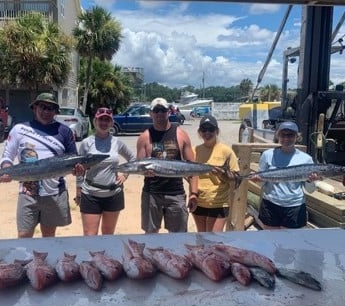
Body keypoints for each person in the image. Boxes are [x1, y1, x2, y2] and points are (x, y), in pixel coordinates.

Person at [0, 92, 82, 238]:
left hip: (54, 193)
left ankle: (42, 261)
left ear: (55, 112)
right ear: (34, 108)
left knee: (49, 235)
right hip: (27, 193)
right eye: (43, 107)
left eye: (51, 109)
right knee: (24, 235)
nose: (46, 112)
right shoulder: (19, 129)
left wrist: (77, 170)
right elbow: (7, 156)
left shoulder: (65, 131)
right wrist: (6, 169)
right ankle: (25, 261)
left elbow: (73, 160)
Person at [136, 97, 198, 233]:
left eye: (162, 110)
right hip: (151, 193)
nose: (159, 114)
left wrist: (194, 193)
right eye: (156, 110)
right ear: (151, 113)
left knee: (178, 236)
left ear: (168, 112)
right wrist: (144, 172)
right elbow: (139, 167)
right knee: (150, 235)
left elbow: (192, 167)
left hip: (175, 193)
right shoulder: (144, 138)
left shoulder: (181, 135)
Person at [75, 107, 136, 236]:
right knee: (90, 235)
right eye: (100, 119)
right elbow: (79, 168)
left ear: (111, 123)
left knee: (108, 234)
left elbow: (132, 158)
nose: (103, 123)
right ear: (95, 121)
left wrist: (125, 175)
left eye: (107, 120)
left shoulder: (117, 142)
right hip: (91, 194)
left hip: (113, 194)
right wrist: (78, 190)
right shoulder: (86, 143)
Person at [251, 121, 318, 229]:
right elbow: (262, 184)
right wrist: (258, 180)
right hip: (270, 204)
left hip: (294, 206)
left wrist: (310, 180)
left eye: (290, 135)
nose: (286, 138)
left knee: (290, 243)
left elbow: (310, 190)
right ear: (278, 136)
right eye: (283, 135)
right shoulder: (267, 155)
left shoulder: (306, 159)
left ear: (297, 137)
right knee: (271, 240)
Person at [192, 115, 240, 232]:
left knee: (214, 239)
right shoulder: (195, 150)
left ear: (217, 131)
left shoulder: (226, 151)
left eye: (211, 129)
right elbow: (190, 175)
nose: (207, 132)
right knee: (201, 236)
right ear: (199, 132)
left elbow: (237, 179)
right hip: (199, 201)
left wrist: (222, 175)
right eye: (204, 129)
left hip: (219, 203)